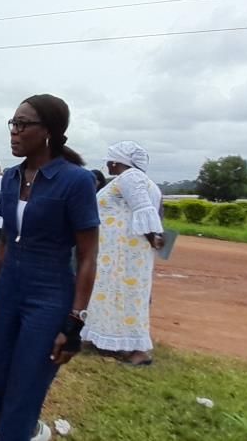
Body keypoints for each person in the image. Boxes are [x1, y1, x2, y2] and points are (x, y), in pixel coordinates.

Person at [0, 94, 100, 441]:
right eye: (12, 123)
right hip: (7, 294)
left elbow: (89, 256)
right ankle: (31, 432)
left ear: (48, 131)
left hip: (49, 299)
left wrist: (74, 323)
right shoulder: (12, 177)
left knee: (22, 398)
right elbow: (3, 243)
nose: (13, 132)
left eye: (22, 124)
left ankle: (21, 430)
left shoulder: (76, 181)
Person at [81, 141, 164, 367]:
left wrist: (153, 238)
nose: (107, 163)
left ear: (117, 161)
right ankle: (104, 339)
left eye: (110, 159)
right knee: (110, 295)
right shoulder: (134, 180)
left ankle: (137, 351)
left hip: (125, 255)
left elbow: (143, 209)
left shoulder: (131, 178)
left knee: (128, 297)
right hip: (116, 253)